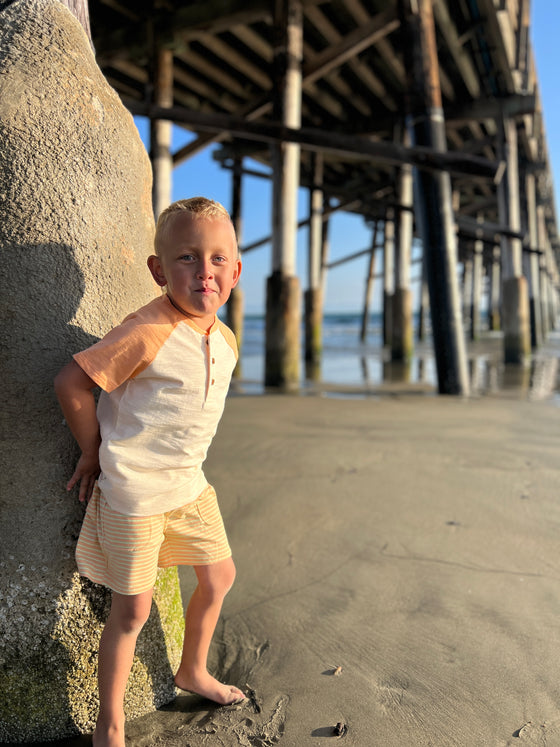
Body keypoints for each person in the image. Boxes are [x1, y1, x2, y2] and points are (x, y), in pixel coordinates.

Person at [54, 197, 245, 747]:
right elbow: (72, 382)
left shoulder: (224, 338)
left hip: (189, 483)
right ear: (159, 270)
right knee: (133, 608)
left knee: (220, 575)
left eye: (216, 260)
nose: (203, 272)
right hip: (134, 491)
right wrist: (91, 451)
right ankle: (109, 724)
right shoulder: (148, 330)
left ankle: (192, 670)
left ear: (234, 270)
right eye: (186, 258)